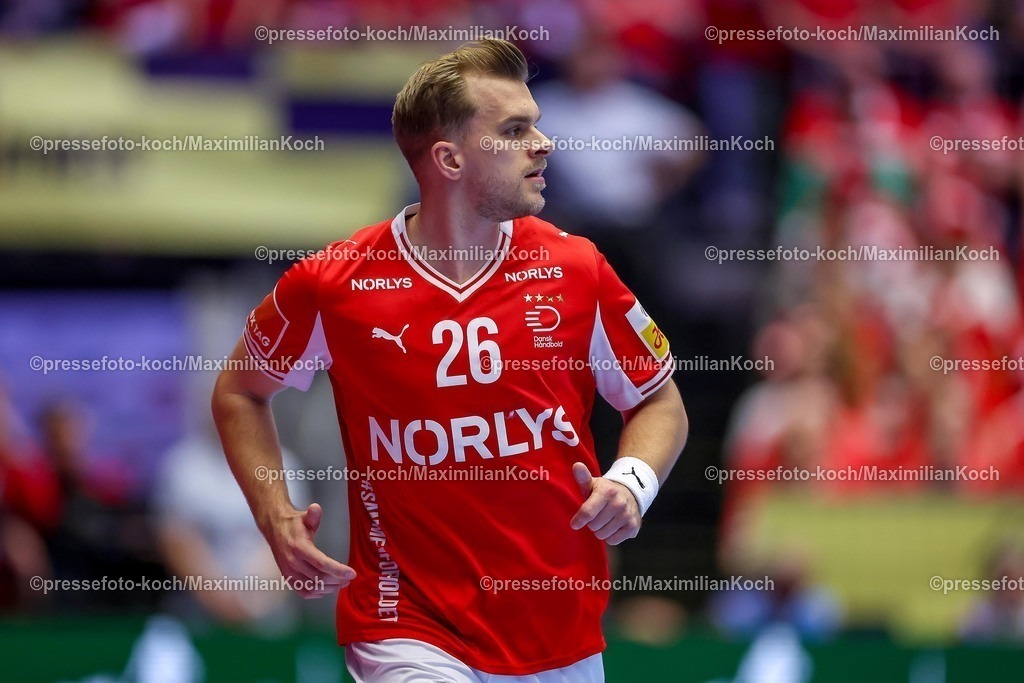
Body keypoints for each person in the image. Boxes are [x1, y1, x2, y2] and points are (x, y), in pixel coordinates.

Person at [212, 38, 688, 682]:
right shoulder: (335, 283)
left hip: (559, 630)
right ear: (449, 158)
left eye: (538, 124)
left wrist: (632, 483)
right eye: (515, 129)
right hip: (405, 624)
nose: (543, 143)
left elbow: (658, 399)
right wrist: (274, 514)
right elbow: (241, 391)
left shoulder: (576, 269)